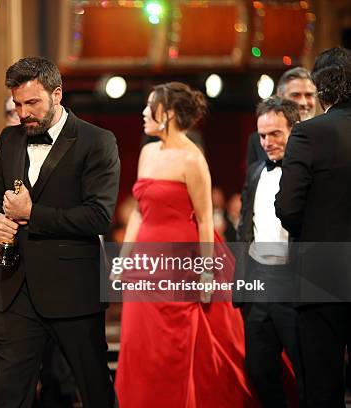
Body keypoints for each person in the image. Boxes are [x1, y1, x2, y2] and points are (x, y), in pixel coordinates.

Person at [0, 56, 120, 408]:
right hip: (16, 289)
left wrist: (32, 213)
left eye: (32, 103)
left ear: (57, 94)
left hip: (74, 291)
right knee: (8, 395)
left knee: (94, 391)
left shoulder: (97, 141)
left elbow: (99, 216)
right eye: (17, 104)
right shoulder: (10, 139)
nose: (23, 112)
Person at [114, 82, 255, 407]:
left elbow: (206, 220)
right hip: (145, 264)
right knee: (139, 345)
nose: (144, 113)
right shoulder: (148, 152)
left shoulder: (193, 159)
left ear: (170, 114)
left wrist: (206, 273)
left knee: (175, 349)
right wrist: (122, 259)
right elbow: (139, 210)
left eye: (151, 108)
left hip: (181, 262)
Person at [275, 46, 351, 407]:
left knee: (323, 386)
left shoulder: (308, 134)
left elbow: (287, 207)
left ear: (322, 92)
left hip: (321, 275)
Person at [236, 97, 303, 406]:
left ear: (294, 129)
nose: (267, 142)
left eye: (275, 133)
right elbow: (244, 228)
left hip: (296, 284)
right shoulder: (254, 172)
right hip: (259, 286)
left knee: (308, 373)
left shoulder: (309, 172)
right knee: (260, 371)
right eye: (262, 135)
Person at [246, 67, 317, 167]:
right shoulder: (257, 140)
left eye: (309, 95)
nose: (303, 102)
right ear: (280, 97)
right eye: (295, 95)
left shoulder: (327, 136)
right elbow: (252, 180)